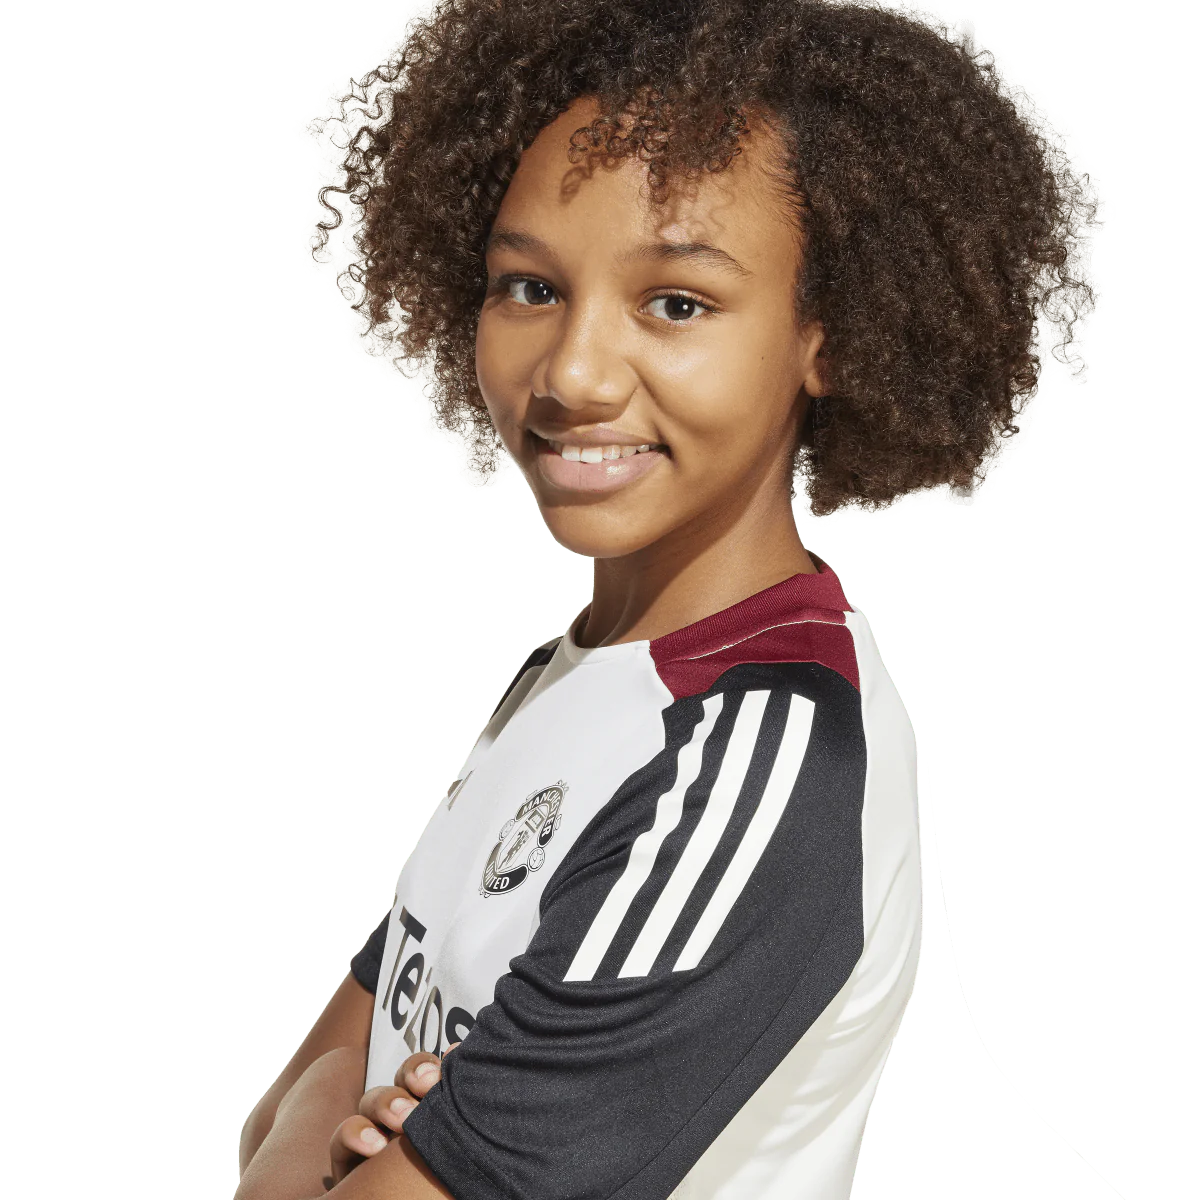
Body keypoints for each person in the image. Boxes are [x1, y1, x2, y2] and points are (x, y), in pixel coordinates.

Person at [234, 1, 1105, 1197]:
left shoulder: (749, 763)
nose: (574, 372)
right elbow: (298, 1095)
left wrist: (324, 1139)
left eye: (677, 304)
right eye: (528, 287)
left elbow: (303, 1129)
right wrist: (318, 1131)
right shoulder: (583, 673)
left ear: (828, 336)